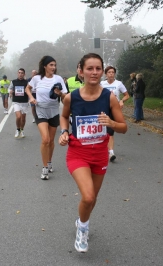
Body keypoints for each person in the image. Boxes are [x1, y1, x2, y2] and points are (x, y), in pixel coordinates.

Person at [59, 53, 127, 253]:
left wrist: (111, 123)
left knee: (92, 198)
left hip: (99, 154)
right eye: (90, 68)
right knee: (88, 197)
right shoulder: (72, 97)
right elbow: (64, 117)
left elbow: (123, 127)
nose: (94, 72)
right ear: (80, 71)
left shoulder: (110, 97)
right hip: (78, 153)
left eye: (98, 68)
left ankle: (82, 220)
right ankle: (83, 228)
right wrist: (64, 132)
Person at [25, 56, 68, 180]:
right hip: (41, 110)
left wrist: (60, 94)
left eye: (54, 65)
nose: (53, 67)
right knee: (45, 139)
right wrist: (31, 98)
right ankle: (44, 168)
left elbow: (65, 97)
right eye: (51, 65)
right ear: (45, 66)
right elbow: (27, 88)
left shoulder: (58, 78)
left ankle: (49, 162)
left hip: (54, 110)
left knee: (51, 141)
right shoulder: (36, 78)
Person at [100, 66, 130, 162]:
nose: (111, 74)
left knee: (110, 131)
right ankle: (102, 149)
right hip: (103, 109)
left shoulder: (119, 83)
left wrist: (121, 101)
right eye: (109, 72)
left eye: (113, 72)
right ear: (106, 74)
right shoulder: (101, 84)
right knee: (102, 131)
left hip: (114, 109)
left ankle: (111, 152)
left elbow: (127, 95)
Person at [9, 68, 29, 138]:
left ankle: (22, 130)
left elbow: (30, 90)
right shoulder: (13, 82)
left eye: (22, 73)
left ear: (24, 74)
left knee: (23, 118)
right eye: (19, 73)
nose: (20, 74)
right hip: (16, 101)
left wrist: (28, 91)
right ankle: (17, 129)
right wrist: (10, 92)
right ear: (17, 73)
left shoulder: (27, 82)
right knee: (18, 116)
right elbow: (10, 88)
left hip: (24, 102)